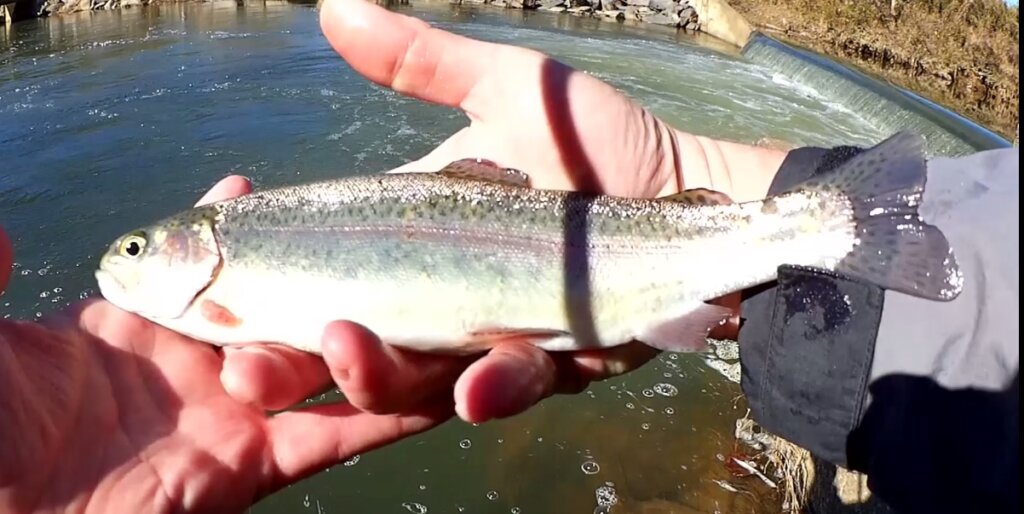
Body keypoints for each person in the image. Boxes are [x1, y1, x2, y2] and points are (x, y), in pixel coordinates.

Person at [0, 0, 1016, 512]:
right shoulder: (227, 276)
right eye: (132, 249)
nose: (125, 260)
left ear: (191, 242)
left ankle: (840, 223)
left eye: (138, 248)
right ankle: (848, 221)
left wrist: (681, 172)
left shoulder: (235, 251)